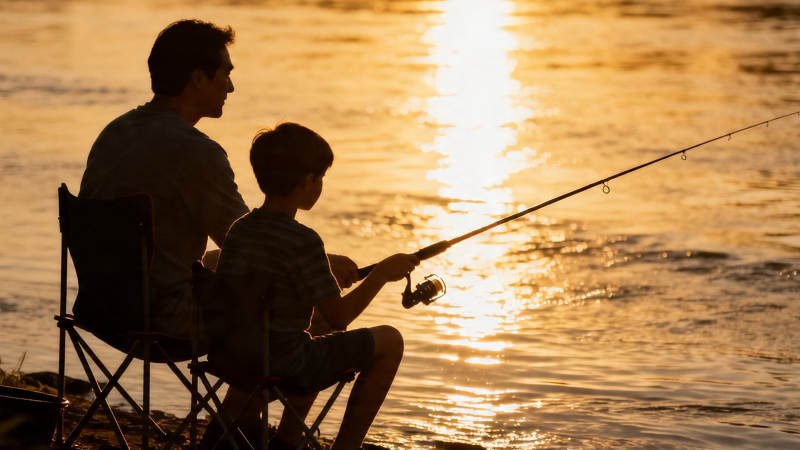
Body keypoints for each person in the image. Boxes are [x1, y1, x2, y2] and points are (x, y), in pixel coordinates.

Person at [78, 20, 358, 349]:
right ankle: (245, 401)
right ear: (198, 78)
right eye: (225, 73)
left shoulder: (113, 132)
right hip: (165, 318)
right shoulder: (197, 152)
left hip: (99, 308)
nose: (231, 87)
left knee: (217, 264)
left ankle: (242, 401)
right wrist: (323, 264)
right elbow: (251, 241)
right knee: (301, 298)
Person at [207, 123, 418, 449]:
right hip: (284, 364)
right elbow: (340, 318)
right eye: (319, 177)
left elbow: (273, 292)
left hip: (231, 358)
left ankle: (287, 441)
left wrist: (323, 281)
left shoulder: (240, 231)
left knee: (314, 334)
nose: (320, 185)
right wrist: (380, 276)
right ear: (306, 181)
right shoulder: (304, 242)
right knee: (391, 341)